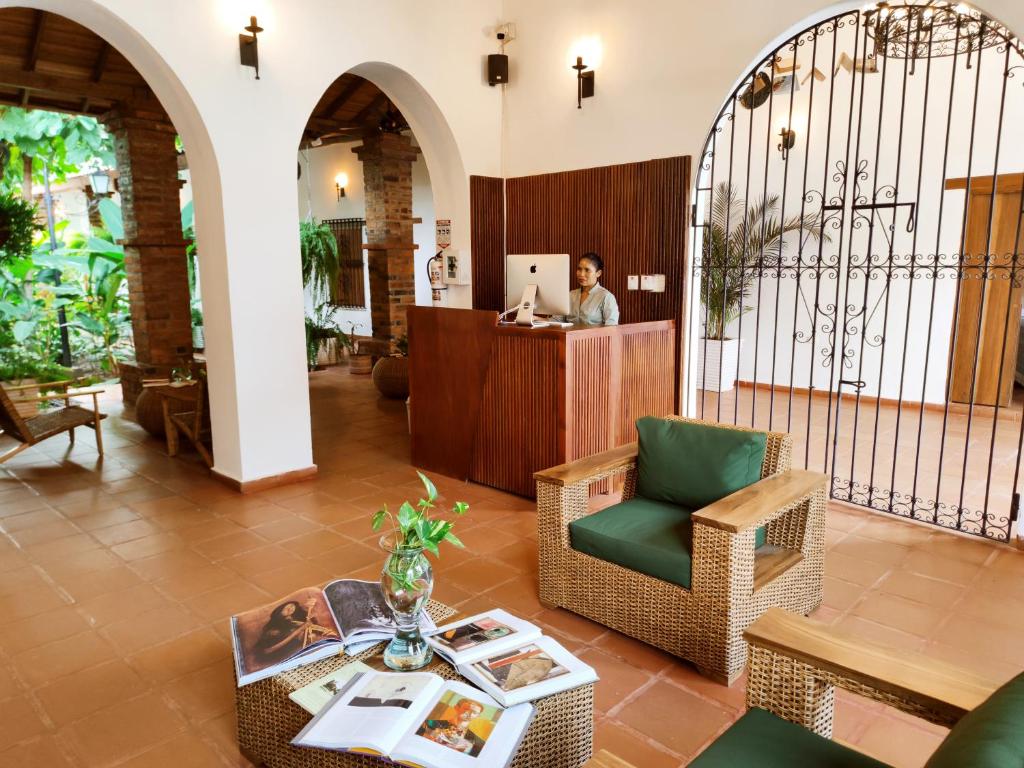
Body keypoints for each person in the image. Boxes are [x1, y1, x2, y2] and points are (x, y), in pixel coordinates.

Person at [564, 252, 619, 326]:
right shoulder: (570, 295)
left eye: (587, 270)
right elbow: (556, 321)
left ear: (598, 273)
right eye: (579, 269)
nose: (581, 274)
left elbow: (611, 327)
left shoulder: (606, 297)